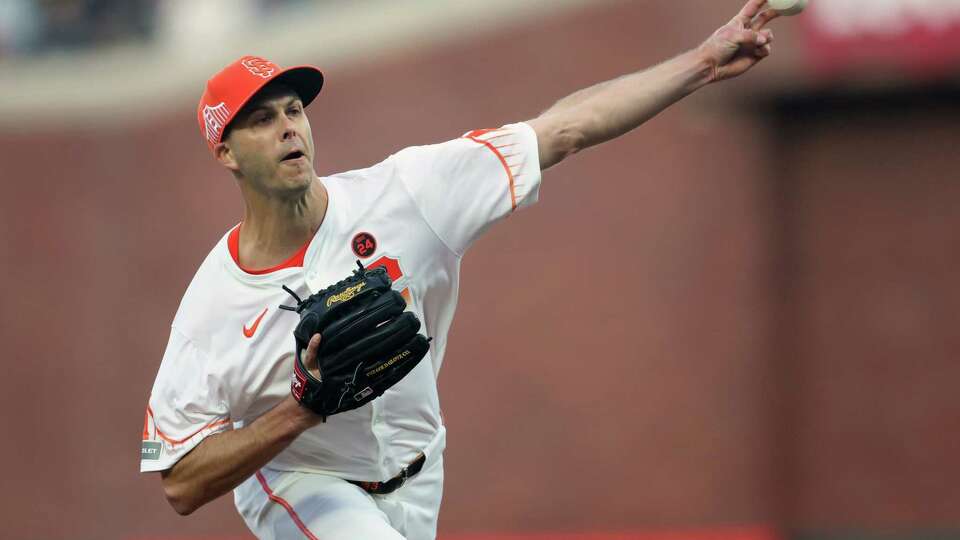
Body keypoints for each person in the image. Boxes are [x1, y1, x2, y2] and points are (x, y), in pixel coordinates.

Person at [140, 2, 780, 538]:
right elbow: (181, 481)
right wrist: (298, 413)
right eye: (260, 119)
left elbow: (563, 129)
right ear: (224, 151)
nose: (287, 128)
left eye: (293, 111)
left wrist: (701, 63)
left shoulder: (408, 194)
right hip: (301, 484)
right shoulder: (211, 309)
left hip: (422, 476)